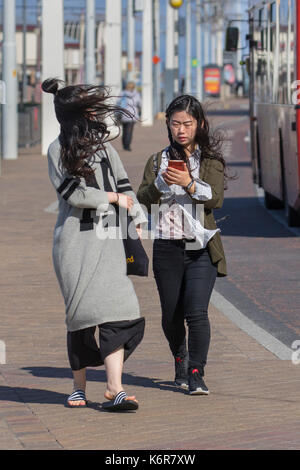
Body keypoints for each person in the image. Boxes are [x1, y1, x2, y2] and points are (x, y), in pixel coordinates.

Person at [42, 78, 147, 411]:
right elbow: (74, 194)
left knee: (120, 312)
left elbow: (126, 185)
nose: (94, 115)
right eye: (87, 110)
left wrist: (138, 213)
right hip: (74, 245)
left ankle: (114, 388)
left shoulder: (105, 148)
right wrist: (114, 198)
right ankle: (78, 387)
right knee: (82, 316)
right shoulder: (57, 150)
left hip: (110, 241)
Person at [137, 94, 229, 396]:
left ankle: (196, 372)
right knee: (171, 314)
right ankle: (180, 358)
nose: (181, 130)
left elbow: (214, 198)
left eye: (187, 124)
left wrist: (189, 182)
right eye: (175, 123)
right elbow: (143, 199)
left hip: (201, 248)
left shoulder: (211, 162)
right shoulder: (156, 161)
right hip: (167, 247)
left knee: (196, 312)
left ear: (199, 124)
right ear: (168, 125)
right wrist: (162, 183)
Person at [117, 81, 141, 151]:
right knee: (129, 131)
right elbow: (140, 103)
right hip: (132, 114)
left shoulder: (123, 93)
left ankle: (124, 144)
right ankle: (127, 146)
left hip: (124, 113)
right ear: (133, 87)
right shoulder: (136, 94)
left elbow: (118, 102)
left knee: (124, 130)